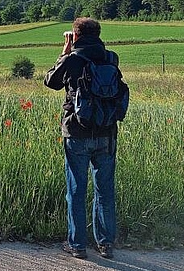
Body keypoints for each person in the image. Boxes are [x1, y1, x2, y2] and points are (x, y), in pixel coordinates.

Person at [44, 17, 120, 260]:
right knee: (105, 191)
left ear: (75, 35)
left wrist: (64, 53)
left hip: (76, 132)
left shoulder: (73, 59)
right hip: (106, 132)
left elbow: (50, 82)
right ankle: (105, 244)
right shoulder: (111, 58)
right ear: (98, 34)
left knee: (76, 190)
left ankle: (77, 245)